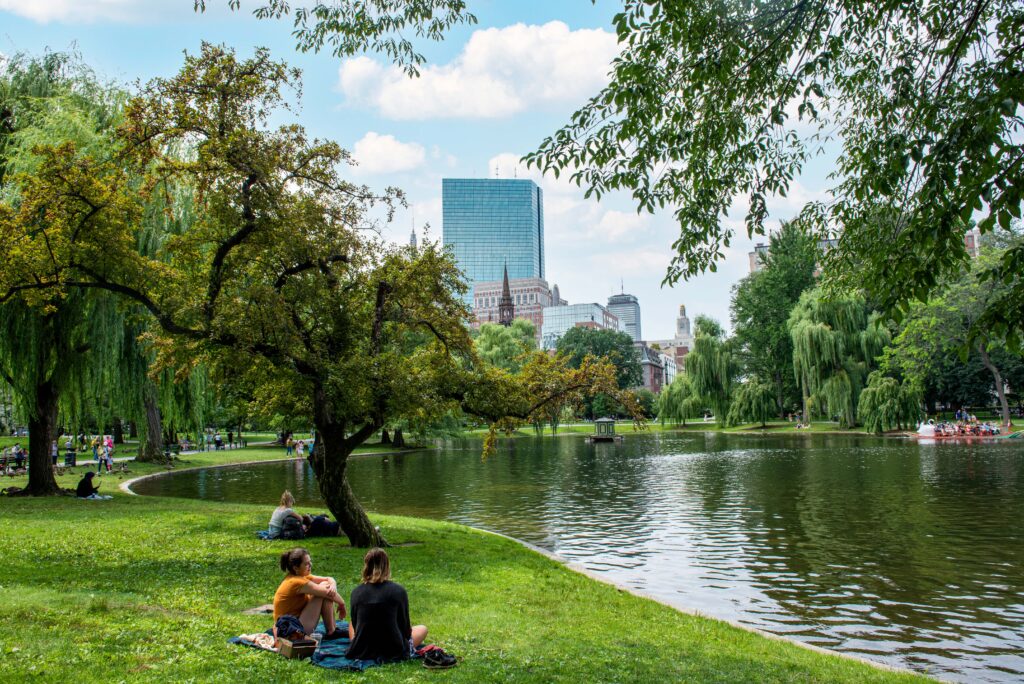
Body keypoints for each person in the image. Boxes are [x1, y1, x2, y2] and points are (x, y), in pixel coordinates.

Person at [346, 548, 427, 661]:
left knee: (350, 623)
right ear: (387, 566)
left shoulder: (356, 592)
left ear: (366, 566)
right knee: (423, 629)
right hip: (393, 649)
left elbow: (355, 625)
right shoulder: (399, 591)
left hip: (362, 649)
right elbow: (406, 630)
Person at [273, 548, 347, 640]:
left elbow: (328, 579)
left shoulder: (300, 576)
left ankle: (332, 631)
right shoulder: (296, 582)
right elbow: (327, 592)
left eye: (310, 562)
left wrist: (333, 583)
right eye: (306, 564)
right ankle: (332, 631)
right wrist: (342, 604)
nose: (310, 565)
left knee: (324, 587)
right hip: (290, 631)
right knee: (322, 591)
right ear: (296, 568)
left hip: (293, 625)